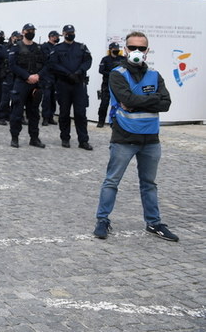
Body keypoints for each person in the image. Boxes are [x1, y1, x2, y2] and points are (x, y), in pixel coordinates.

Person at [93, 31, 176, 242]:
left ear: (147, 51)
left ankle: (154, 223)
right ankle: (103, 220)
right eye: (132, 48)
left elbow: (165, 103)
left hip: (150, 139)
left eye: (141, 48)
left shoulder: (155, 75)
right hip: (124, 138)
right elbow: (125, 97)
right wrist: (151, 98)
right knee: (112, 181)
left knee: (149, 184)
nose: (136, 52)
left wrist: (136, 101)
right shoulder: (117, 74)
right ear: (125, 49)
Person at [49, 24, 93, 150]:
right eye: (68, 32)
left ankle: (83, 140)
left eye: (72, 32)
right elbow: (53, 64)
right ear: (63, 34)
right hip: (64, 84)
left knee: (80, 113)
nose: (70, 34)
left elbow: (88, 61)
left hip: (78, 84)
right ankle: (65, 138)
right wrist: (67, 74)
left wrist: (79, 71)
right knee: (64, 113)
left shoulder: (81, 47)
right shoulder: (57, 48)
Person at [8, 23, 47, 148]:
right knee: (17, 112)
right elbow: (12, 65)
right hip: (21, 83)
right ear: (23, 32)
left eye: (32, 30)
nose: (31, 32)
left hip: (35, 83)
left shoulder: (39, 48)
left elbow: (47, 65)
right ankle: (15, 138)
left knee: (34, 113)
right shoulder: (16, 47)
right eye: (28, 30)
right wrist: (27, 76)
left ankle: (34, 138)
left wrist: (38, 76)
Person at [96, 42, 125, 127]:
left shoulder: (122, 59)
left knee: (120, 104)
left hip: (119, 85)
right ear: (110, 49)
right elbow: (101, 70)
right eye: (114, 49)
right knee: (104, 103)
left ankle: (118, 122)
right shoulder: (105, 59)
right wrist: (112, 74)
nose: (116, 50)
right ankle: (101, 121)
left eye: (117, 48)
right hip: (107, 84)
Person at [0, 31, 22, 125]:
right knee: (5, 98)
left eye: (19, 37)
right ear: (12, 37)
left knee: (18, 99)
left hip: (18, 76)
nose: (18, 38)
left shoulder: (22, 48)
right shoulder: (5, 47)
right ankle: (2, 117)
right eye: (16, 37)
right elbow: (0, 57)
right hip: (8, 76)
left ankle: (17, 117)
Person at [40, 30, 60, 126]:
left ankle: (51, 116)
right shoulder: (45, 47)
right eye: (55, 36)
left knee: (53, 98)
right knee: (47, 97)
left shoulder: (58, 47)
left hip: (56, 76)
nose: (57, 38)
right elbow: (47, 60)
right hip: (47, 75)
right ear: (51, 37)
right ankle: (45, 118)